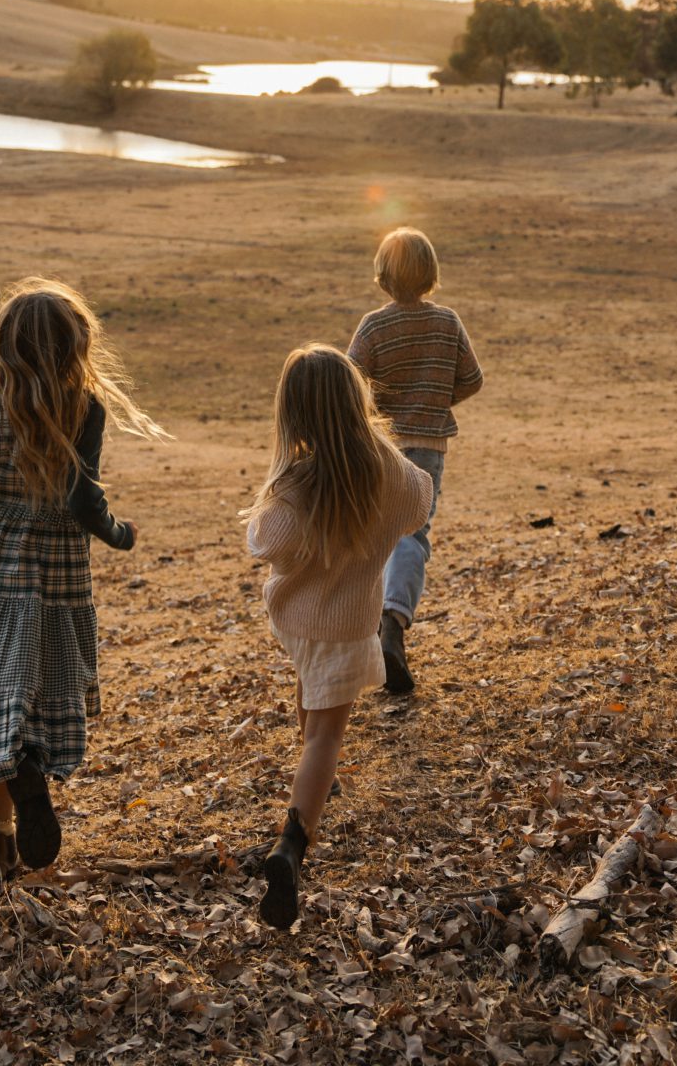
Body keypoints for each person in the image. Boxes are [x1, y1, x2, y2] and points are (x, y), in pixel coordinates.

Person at [0, 277, 164, 886]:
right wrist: (117, 533)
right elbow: (81, 496)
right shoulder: (85, 409)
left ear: (6, 347)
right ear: (77, 348)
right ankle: (23, 784)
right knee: (29, 699)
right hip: (51, 577)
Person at [246, 344, 431, 929]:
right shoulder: (390, 472)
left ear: (294, 415)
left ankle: (313, 790)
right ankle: (292, 844)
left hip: (296, 622)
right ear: (358, 399)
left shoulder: (300, 483)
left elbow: (263, 543)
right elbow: (420, 505)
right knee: (327, 733)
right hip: (346, 625)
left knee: (312, 695)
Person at [347, 227, 483, 696]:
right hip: (427, 446)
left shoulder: (373, 326)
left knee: (374, 531)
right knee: (412, 532)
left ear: (383, 277)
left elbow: (351, 384)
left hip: (381, 445)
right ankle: (392, 622)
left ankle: (366, 633)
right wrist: (435, 402)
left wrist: (378, 414)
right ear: (430, 274)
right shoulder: (448, 322)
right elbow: (472, 378)